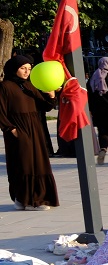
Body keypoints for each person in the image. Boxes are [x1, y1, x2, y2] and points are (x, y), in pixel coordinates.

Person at [0, 55, 58, 210]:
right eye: (22, 68)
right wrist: (11, 129)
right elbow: (1, 111)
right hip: (18, 129)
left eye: (29, 69)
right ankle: (26, 199)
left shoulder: (29, 85)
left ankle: (37, 198)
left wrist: (51, 95)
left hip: (35, 128)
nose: (26, 72)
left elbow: (44, 106)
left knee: (38, 163)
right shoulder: (5, 86)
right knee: (23, 164)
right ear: (14, 69)